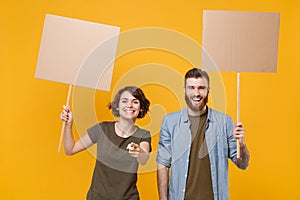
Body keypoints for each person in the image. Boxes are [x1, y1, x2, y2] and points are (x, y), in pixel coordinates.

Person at [156, 68, 250, 200]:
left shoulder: (224, 122)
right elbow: (162, 164)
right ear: (184, 90)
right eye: (191, 87)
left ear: (208, 90)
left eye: (201, 88)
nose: (196, 93)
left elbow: (243, 164)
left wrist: (242, 144)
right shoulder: (170, 122)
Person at [60, 86, 151, 200]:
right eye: (124, 101)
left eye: (135, 102)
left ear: (141, 108)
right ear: (117, 107)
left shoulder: (143, 135)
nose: (130, 105)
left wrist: (138, 151)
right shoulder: (102, 129)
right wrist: (69, 125)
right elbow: (70, 149)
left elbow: (144, 159)